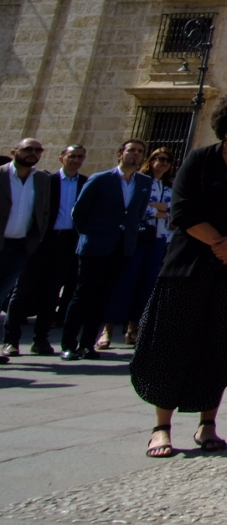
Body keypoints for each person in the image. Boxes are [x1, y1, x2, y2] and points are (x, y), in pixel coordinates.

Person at [131, 92, 227, 458]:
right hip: (191, 264)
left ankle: (208, 422)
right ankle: (161, 427)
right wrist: (219, 244)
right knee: (172, 342)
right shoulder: (200, 160)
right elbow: (182, 210)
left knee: (222, 344)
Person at [62, 139, 152, 360]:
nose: (136, 155)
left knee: (104, 297)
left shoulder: (144, 182)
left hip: (122, 247)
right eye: (131, 151)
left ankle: (87, 344)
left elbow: (138, 213)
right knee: (83, 295)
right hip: (96, 245)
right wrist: (91, 234)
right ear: (120, 154)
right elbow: (79, 213)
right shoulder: (101, 179)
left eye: (140, 152)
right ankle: (69, 344)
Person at [3, 144, 87, 357]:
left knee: (51, 294)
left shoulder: (86, 183)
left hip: (67, 243)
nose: (76, 160)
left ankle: (41, 339)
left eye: (80, 157)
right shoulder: (45, 180)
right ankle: (11, 339)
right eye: (72, 156)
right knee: (22, 291)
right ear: (62, 158)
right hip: (41, 241)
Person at [102, 147, 176, 351]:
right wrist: (158, 210)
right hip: (137, 238)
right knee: (125, 282)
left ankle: (133, 329)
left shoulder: (170, 185)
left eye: (167, 160)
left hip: (160, 239)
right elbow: (134, 207)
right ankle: (107, 329)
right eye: (159, 158)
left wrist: (158, 209)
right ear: (150, 161)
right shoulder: (140, 180)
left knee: (147, 284)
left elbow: (173, 210)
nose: (163, 163)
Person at [0, 139, 50, 363]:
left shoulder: (41, 180)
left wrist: (34, 241)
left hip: (19, 247)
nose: (33, 153)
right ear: (14, 152)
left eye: (37, 150)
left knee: (2, 296)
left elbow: (43, 211)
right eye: (28, 149)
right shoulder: (1, 174)